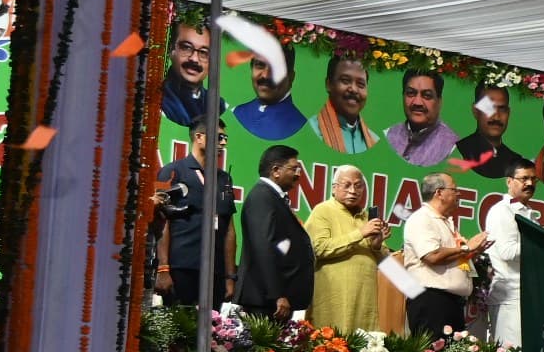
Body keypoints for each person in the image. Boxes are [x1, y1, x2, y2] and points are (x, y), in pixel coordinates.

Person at [304, 163, 390, 339]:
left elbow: (385, 262)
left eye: (358, 186)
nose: (353, 190)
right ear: (334, 188)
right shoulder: (323, 210)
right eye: (347, 185)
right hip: (333, 297)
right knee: (330, 351)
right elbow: (319, 249)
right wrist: (361, 233)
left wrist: (376, 245)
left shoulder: (367, 217)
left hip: (365, 299)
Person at [232, 143, 316, 323]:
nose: (298, 174)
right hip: (265, 300)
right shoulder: (262, 197)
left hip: (273, 300)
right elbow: (264, 248)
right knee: (261, 351)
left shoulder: (272, 197)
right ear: (276, 170)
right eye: (294, 168)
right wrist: (277, 294)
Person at [150, 127, 234, 307]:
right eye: (219, 137)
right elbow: (162, 222)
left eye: (225, 138)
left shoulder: (224, 179)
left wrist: (229, 276)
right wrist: (163, 268)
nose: (223, 143)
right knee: (180, 330)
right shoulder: (172, 172)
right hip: (181, 268)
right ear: (199, 137)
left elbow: (229, 228)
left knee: (213, 331)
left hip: (215, 272)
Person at [399, 172, 487, 337]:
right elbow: (432, 255)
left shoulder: (445, 221)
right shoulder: (422, 218)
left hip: (451, 303)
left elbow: (453, 259)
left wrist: (474, 251)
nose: (458, 194)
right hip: (431, 301)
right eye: (454, 189)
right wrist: (466, 248)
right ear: (439, 193)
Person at [478, 160, 538, 349]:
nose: (529, 183)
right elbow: (507, 251)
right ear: (509, 181)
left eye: (533, 179)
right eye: (524, 179)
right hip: (509, 296)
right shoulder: (502, 211)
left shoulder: (527, 212)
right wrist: (542, 242)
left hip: (526, 294)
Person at [383, 68, 459, 167]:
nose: (417, 102)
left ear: (439, 101)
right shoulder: (389, 134)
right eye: (411, 93)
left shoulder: (452, 146)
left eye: (427, 96)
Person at [459, 83, 532, 180]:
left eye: (502, 109)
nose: (496, 117)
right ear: (476, 111)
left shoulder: (515, 161)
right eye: (489, 108)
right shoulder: (461, 149)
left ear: (508, 113)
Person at [231, 53, 305, 142]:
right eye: (260, 65)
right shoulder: (237, 112)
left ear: (291, 77)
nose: (266, 75)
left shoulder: (300, 125)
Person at [315, 51, 375, 156]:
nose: (353, 89)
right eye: (345, 81)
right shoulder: (314, 130)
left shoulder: (372, 140)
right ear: (328, 84)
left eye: (361, 84)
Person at [160, 20, 211, 129]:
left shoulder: (218, 105)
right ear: (171, 51)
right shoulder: (159, 100)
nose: (194, 59)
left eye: (203, 52)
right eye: (186, 48)